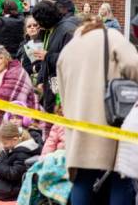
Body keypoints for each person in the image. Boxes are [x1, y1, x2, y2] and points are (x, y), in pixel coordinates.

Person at [57, 14, 138, 204]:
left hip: (79, 128)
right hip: (111, 122)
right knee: (120, 177)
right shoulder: (111, 36)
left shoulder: (68, 49)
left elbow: (62, 92)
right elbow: (134, 66)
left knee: (83, 180)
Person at [32, 0, 80, 113]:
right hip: (50, 88)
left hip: (63, 93)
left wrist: (48, 56)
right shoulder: (51, 28)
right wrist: (41, 80)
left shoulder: (68, 29)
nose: (37, 26)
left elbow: (73, 60)